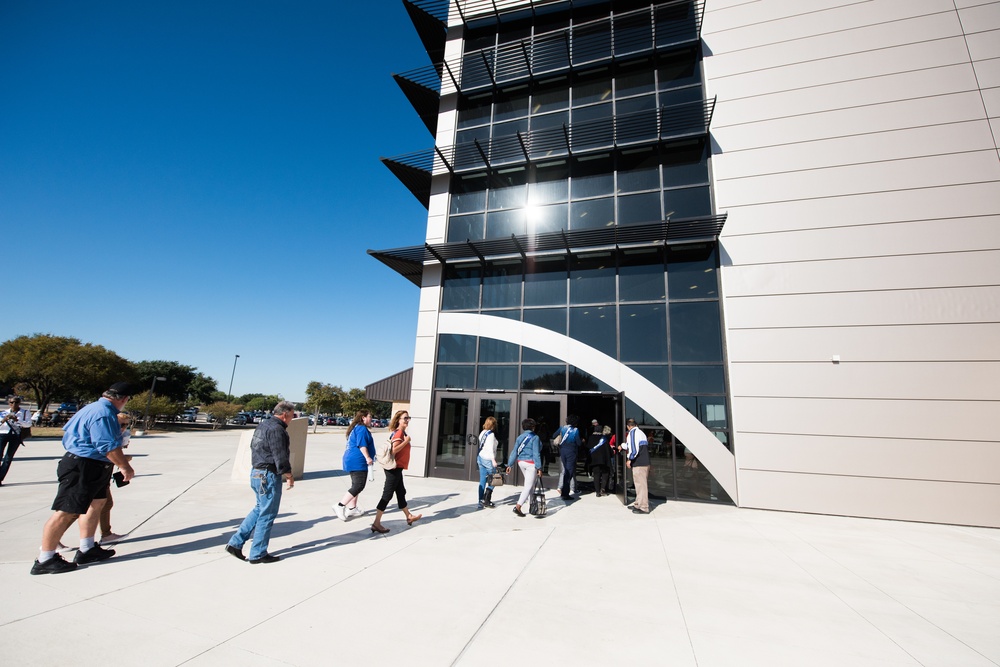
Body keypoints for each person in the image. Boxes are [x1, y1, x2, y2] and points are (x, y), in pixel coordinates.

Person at [30, 382, 137, 575]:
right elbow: (107, 445)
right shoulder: (104, 414)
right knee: (65, 511)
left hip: (92, 465)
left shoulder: (91, 408)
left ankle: (87, 548)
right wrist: (124, 466)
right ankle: (45, 559)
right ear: (124, 399)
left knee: (96, 504)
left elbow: (68, 430)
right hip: (82, 466)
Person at [225, 400, 296, 564]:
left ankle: (235, 543)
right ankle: (258, 553)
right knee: (268, 514)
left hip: (257, 473)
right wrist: (289, 475)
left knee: (259, 509)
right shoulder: (277, 429)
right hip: (267, 475)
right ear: (284, 414)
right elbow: (280, 455)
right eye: (292, 415)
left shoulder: (264, 425)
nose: (293, 418)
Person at [370, 410, 422, 533]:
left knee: (401, 492)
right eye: (405, 418)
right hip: (393, 469)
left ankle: (408, 516)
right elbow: (394, 450)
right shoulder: (399, 433)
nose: (407, 420)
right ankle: (376, 523)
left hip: (398, 468)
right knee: (387, 495)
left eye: (408, 418)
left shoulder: (401, 432)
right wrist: (406, 441)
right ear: (399, 420)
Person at [98, 412, 134, 544]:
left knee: (106, 504)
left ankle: (106, 534)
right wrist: (124, 461)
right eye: (121, 424)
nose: (124, 427)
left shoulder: (119, 436)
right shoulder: (107, 435)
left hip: (104, 474)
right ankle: (54, 541)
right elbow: (107, 453)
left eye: (126, 425)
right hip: (95, 473)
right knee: (73, 512)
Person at [334, 410, 376, 521]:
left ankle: (352, 508)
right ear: (363, 417)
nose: (371, 419)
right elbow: (362, 445)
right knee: (359, 485)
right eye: (370, 416)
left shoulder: (356, 428)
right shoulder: (362, 429)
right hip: (358, 461)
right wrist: (368, 457)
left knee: (355, 485)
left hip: (351, 459)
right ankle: (340, 505)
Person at [505, 417, 542, 517]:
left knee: (531, 485)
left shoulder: (520, 437)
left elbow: (514, 451)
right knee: (528, 486)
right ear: (533, 427)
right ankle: (518, 506)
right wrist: (539, 467)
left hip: (521, 462)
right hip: (531, 464)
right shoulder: (535, 437)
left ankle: (531, 506)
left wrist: (510, 464)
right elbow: (536, 453)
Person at [0, 396, 32, 485]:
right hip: (2, 434)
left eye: (16, 402)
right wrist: (3, 420)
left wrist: (17, 420)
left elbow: (28, 424)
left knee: (8, 457)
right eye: (12, 402)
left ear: (19, 403)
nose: (14, 404)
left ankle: (0, 477)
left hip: (16, 435)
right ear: (9, 403)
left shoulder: (25, 412)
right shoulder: (3, 413)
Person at [624, 418, 650, 514]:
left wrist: (629, 459)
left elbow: (634, 449)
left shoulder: (632, 433)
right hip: (644, 462)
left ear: (628, 426)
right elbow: (634, 445)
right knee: (639, 485)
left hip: (639, 463)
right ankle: (638, 504)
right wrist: (623, 446)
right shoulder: (641, 433)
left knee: (641, 485)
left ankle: (643, 507)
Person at [553, 414, 582, 500]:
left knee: (565, 470)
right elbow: (578, 443)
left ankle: (564, 491)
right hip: (571, 452)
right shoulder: (576, 430)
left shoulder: (562, 428)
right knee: (569, 471)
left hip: (562, 451)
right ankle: (565, 493)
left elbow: (554, 435)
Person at [477, 416, 500, 509]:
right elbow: (490, 448)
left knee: (482, 480)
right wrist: (493, 460)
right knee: (494, 479)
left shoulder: (482, 432)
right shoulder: (491, 435)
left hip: (480, 458)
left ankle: (480, 500)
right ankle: (486, 499)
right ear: (493, 425)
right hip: (488, 459)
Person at [588, 425, 613, 497]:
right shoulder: (604, 439)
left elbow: (588, 449)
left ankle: (597, 492)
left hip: (594, 460)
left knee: (596, 475)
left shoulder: (590, 438)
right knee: (605, 473)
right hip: (604, 460)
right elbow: (608, 450)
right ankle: (603, 488)